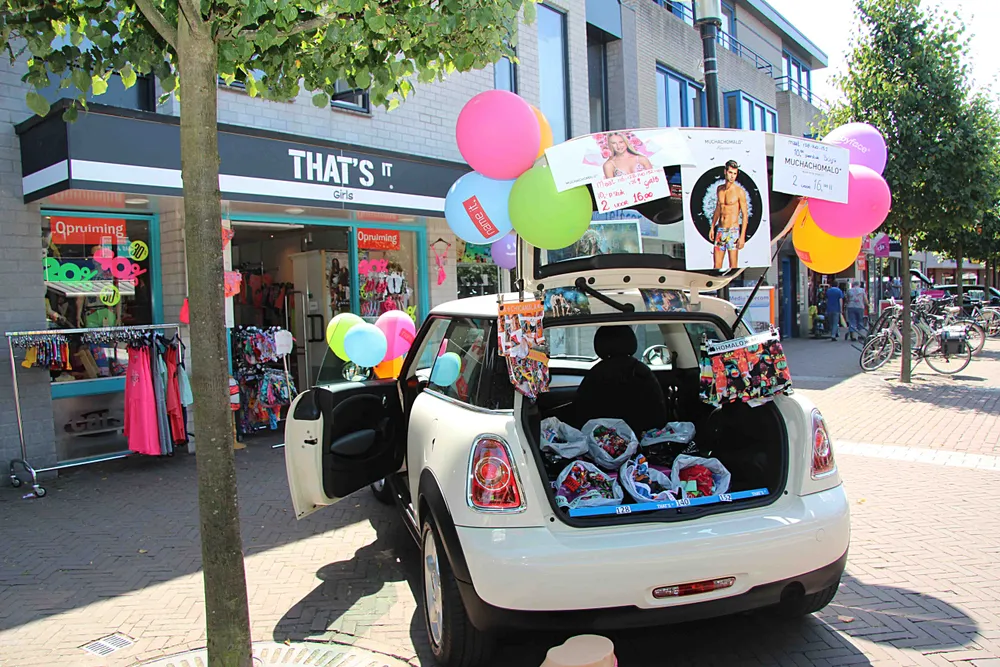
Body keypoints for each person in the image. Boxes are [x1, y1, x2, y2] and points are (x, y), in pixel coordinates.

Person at [709, 160, 748, 270]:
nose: (732, 176)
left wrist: (742, 236)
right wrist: (712, 227)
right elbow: (718, 208)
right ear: (725, 172)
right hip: (721, 230)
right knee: (716, 266)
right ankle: (717, 283)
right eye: (730, 172)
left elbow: (745, 215)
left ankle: (731, 282)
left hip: (733, 231)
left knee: (733, 266)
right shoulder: (720, 189)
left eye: (735, 174)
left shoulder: (739, 192)